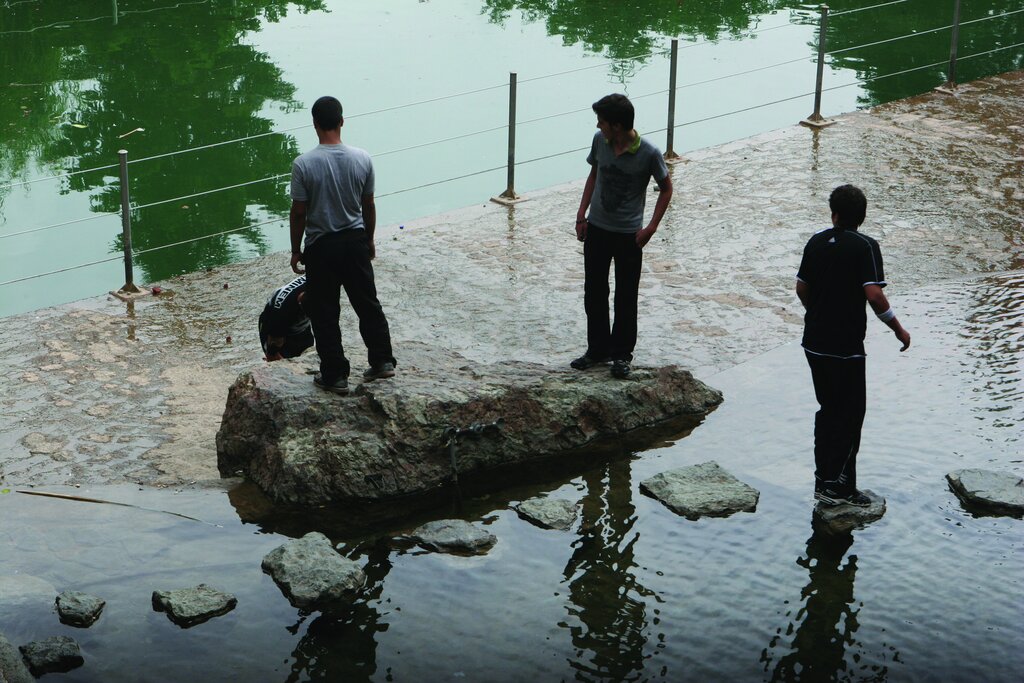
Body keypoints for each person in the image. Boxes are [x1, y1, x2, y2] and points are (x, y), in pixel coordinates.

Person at [796, 184, 911, 507]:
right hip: (845, 346)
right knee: (850, 415)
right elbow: (874, 295)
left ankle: (823, 480)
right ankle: (840, 488)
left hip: (813, 342)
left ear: (833, 213)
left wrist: (817, 313)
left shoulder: (816, 242)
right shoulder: (865, 246)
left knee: (828, 410)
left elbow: (801, 287)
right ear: (862, 216)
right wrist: (899, 330)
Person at [289, 95, 396, 395]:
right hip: (355, 242)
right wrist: (369, 239)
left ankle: (335, 375)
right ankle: (382, 361)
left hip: (321, 247)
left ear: (314, 124)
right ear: (342, 122)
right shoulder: (362, 158)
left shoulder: (303, 164)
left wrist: (296, 250)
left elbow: (299, 212)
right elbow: (368, 205)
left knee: (324, 312)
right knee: (368, 304)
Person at [571, 93, 672, 379]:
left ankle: (621, 355)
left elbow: (666, 189)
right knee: (594, 292)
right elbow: (594, 175)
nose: (597, 125)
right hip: (597, 229)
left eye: (601, 121)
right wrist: (581, 215)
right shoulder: (599, 141)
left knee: (626, 296)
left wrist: (651, 227)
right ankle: (597, 350)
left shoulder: (649, 153)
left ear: (616, 125)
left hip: (629, 235)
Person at [258, 275, 313, 361]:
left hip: (300, 326)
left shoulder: (321, 280)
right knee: (278, 360)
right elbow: (273, 356)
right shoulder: (281, 315)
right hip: (275, 323)